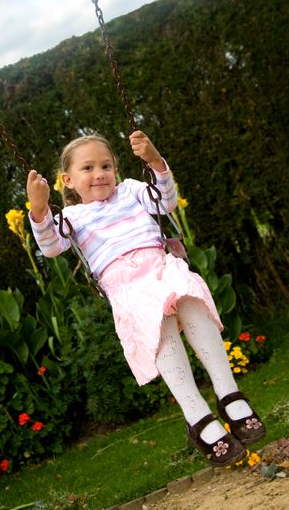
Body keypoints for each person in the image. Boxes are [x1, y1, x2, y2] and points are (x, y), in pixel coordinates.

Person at [27, 130, 266, 466]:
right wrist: (39, 210)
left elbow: (166, 202)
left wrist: (154, 161)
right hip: (127, 285)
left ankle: (228, 393)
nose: (99, 174)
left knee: (191, 300)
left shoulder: (131, 191)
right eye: (88, 168)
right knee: (161, 332)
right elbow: (51, 248)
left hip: (161, 265)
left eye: (106, 165)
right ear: (67, 180)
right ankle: (197, 416)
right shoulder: (70, 218)